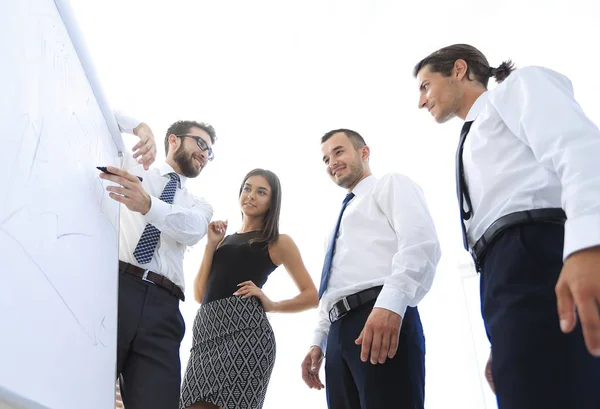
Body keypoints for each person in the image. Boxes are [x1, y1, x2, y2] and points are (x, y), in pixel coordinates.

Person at [413, 43, 600, 409]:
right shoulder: (471, 137)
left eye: (425, 85)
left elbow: (577, 147)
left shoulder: (517, 89)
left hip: (541, 251)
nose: (421, 100)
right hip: (502, 277)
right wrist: (503, 339)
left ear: (459, 70)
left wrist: (586, 245)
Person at [300, 129, 441, 409]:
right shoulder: (336, 225)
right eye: (326, 159)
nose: (332, 163)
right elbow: (334, 287)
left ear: (364, 153)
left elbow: (419, 244)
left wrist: (390, 305)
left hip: (380, 315)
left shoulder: (390, 185)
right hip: (339, 333)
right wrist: (320, 341)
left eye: (339, 152)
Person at [102, 113, 216, 409]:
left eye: (210, 151)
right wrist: (140, 127)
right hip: (116, 292)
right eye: (200, 143)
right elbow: (100, 109)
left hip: (164, 309)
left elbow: (192, 230)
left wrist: (148, 205)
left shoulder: (198, 204)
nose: (204, 153)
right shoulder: (135, 169)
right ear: (174, 140)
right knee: (82, 391)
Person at [180, 168, 319, 409]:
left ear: (272, 201)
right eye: (247, 188)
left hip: (246, 335)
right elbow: (200, 294)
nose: (251, 195)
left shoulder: (278, 241)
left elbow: (311, 296)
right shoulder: (221, 240)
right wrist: (211, 245)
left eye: (261, 192)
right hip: (206, 334)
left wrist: (272, 304)